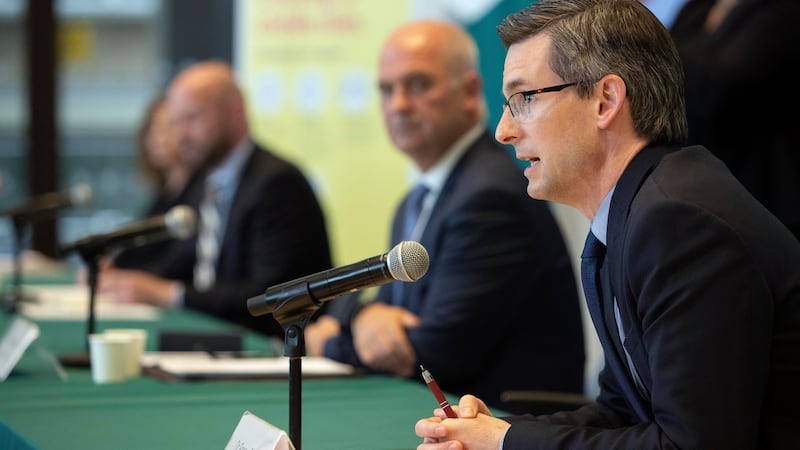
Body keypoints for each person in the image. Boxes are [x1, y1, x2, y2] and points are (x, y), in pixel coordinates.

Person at [414, 0, 800, 448]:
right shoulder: (636, 210)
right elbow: (624, 411)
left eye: (524, 100)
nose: (503, 130)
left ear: (605, 101)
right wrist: (501, 432)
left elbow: (689, 444)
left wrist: (504, 445)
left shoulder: (679, 222)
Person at [304, 20, 585, 415]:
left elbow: (436, 354)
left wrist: (328, 343)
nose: (398, 104)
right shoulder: (416, 200)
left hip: (507, 424)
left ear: (469, 92)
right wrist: (365, 313)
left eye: (417, 85)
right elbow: (385, 311)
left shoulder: (488, 197)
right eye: (387, 90)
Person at [96, 61, 333, 336]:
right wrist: (124, 276)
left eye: (192, 119)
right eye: (175, 122)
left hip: (272, 348)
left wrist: (167, 293)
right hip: (213, 340)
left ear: (234, 112)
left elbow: (271, 296)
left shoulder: (277, 184)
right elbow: (183, 260)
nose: (180, 136)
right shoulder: (205, 180)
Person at [669, 0, 800, 241]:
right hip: (703, 195)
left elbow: (720, 89)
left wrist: (641, 37)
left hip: (764, 202)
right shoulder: (697, 9)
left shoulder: (784, 10)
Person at [112, 94, 193, 270]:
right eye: (152, 128)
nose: (158, 138)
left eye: (167, 127)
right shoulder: (163, 195)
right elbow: (136, 249)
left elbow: (178, 262)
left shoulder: (200, 194)